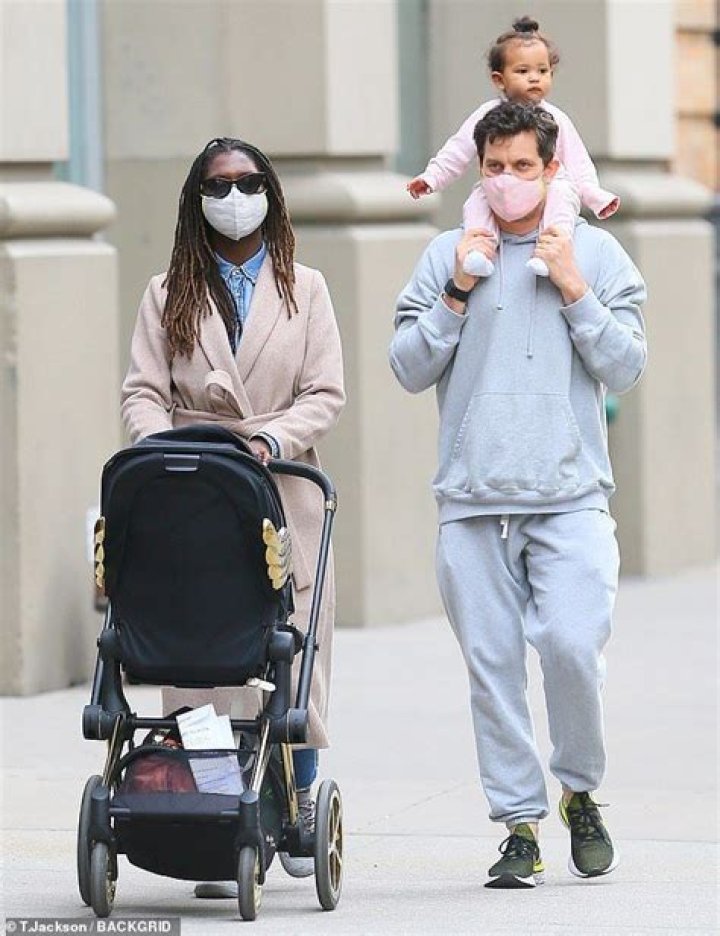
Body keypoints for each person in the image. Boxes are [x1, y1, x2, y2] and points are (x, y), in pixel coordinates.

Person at [390, 102, 646, 889]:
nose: (505, 181)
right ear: (478, 170)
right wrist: (456, 293)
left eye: (522, 167)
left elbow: (627, 365)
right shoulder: (445, 253)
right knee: (493, 669)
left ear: (553, 168)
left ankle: (579, 789)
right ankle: (519, 825)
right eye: (492, 167)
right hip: (471, 501)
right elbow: (406, 366)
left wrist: (575, 291)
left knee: (572, 648)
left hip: (569, 496)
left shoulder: (598, 256)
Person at [121, 136, 345, 889]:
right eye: (219, 185)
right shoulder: (166, 291)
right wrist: (161, 453)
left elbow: (325, 392)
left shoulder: (305, 287)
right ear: (197, 199)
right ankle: (213, 811)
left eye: (248, 183)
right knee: (202, 660)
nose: (234, 196)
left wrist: (273, 437)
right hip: (192, 496)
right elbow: (142, 392)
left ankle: (302, 794)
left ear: (270, 195)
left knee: (294, 657)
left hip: (281, 487)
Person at [407, 16, 619, 279]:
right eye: (523, 71)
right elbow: (457, 150)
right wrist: (432, 178)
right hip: (491, 192)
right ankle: (478, 253)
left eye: (542, 71)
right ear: (499, 79)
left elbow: (578, 163)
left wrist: (595, 196)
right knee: (476, 201)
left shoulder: (556, 119)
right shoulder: (487, 115)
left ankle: (550, 250)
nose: (534, 79)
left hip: (550, 187)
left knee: (564, 195)